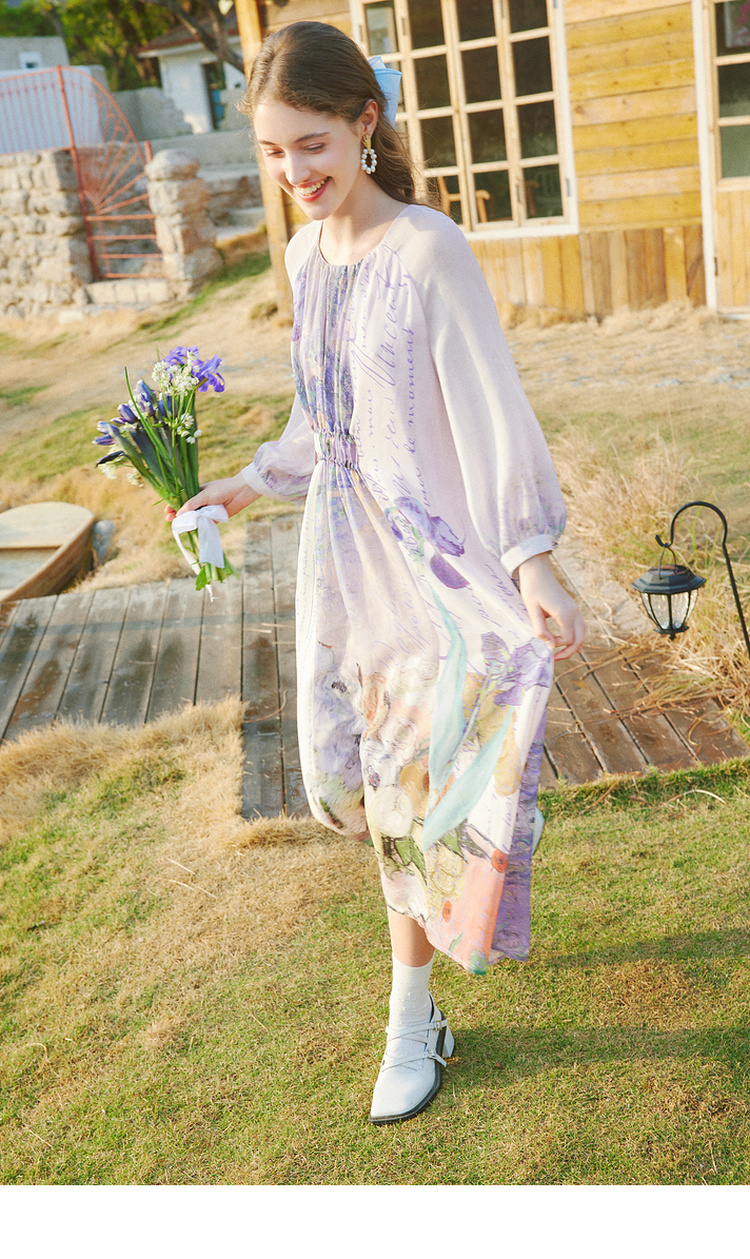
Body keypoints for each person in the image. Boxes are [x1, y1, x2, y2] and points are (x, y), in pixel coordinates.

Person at [168, 20, 586, 1126]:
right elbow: (324, 422)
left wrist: (531, 556)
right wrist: (245, 483)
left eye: (311, 144)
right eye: (272, 151)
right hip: (343, 574)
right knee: (365, 788)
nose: (294, 173)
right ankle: (448, 924)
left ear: (365, 122)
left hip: (431, 577)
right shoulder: (306, 259)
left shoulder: (427, 251)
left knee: (411, 790)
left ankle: (411, 1020)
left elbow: (492, 411)